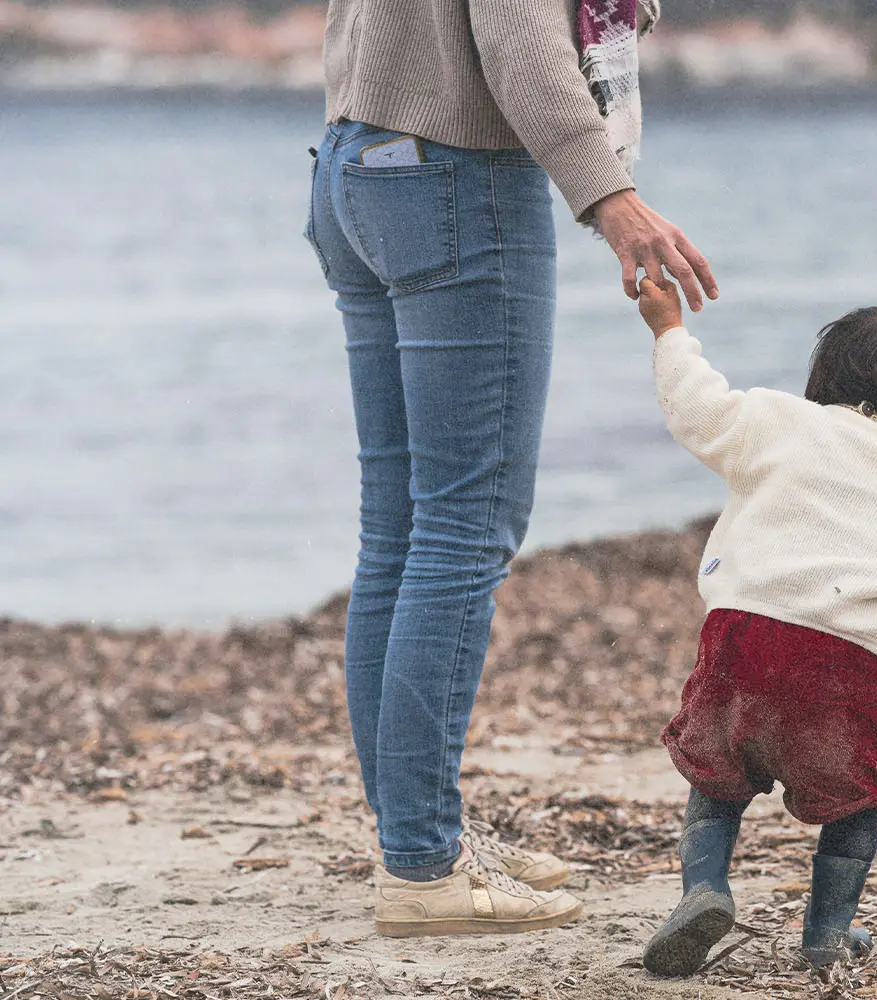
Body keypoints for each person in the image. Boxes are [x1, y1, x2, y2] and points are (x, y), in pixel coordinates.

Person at [303, 0, 717, 937]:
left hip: (354, 165)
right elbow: (519, 44)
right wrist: (611, 198)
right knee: (460, 527)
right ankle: (421, 866)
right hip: (455, 178)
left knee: (402, 531)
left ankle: (415, 837)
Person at [633, 278, 877, 974]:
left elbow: (695, 407)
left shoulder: (775, 421)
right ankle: (826, 935)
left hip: (745, 639)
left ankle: (704, 890)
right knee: (856, 799)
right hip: (854, 664)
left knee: (717, 777)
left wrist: (669, 327)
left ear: (824, 379)